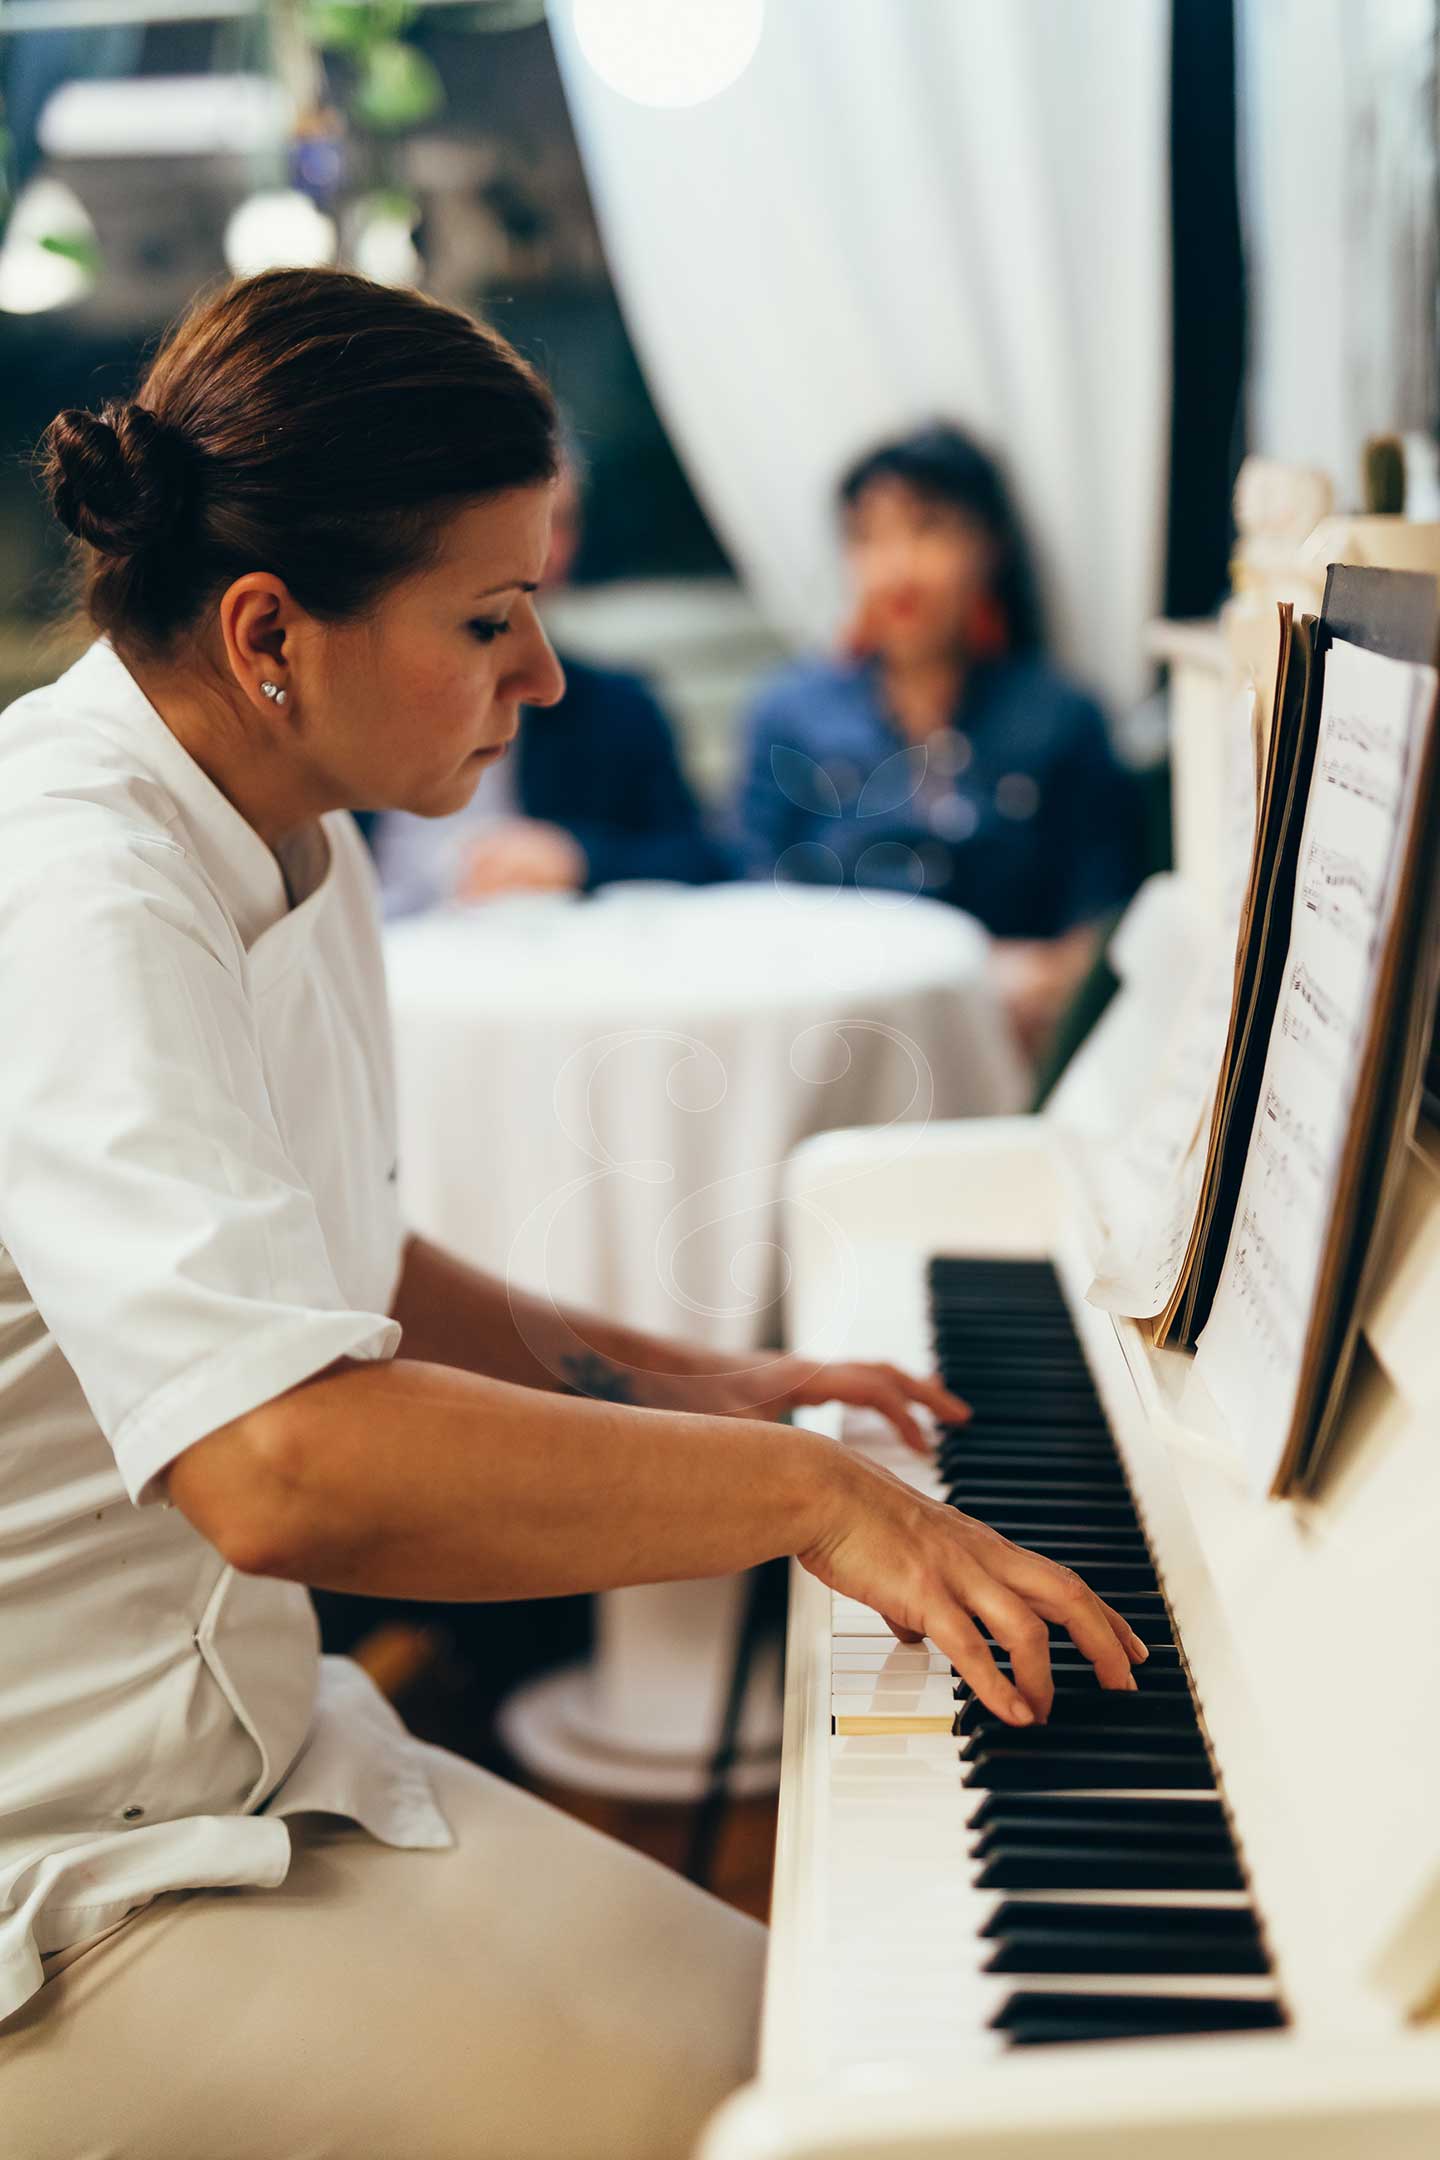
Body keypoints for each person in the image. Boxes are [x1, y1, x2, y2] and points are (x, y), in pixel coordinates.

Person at [0, 269, 1147, 2160]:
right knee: (847, 2110)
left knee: (849, 2040)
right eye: (489, 617)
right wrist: (815, 1499)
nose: (539, 674)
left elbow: (341, 1262)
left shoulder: (289, 818)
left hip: (252, 1755)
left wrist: (693, 1380)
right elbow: (278, 1464)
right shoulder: (78, 885)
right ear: (270, 630)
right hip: (63, 1860)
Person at [732, 423, 1146, 1060]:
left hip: (1011, 1051)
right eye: (867, 537)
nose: (897, 567)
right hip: (830, 1044)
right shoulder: (790, 715)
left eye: (927, 528)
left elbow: (1104, 924)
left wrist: (1050, 979)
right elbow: (749, 902)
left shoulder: (1062, 717)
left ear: (989, 545)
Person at [369, 439, 737, 916]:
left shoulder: (615, 706)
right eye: (515, 522)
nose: (542, 553)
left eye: (559, 521)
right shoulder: (349, 694)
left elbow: (704, 860)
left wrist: (579, 857)